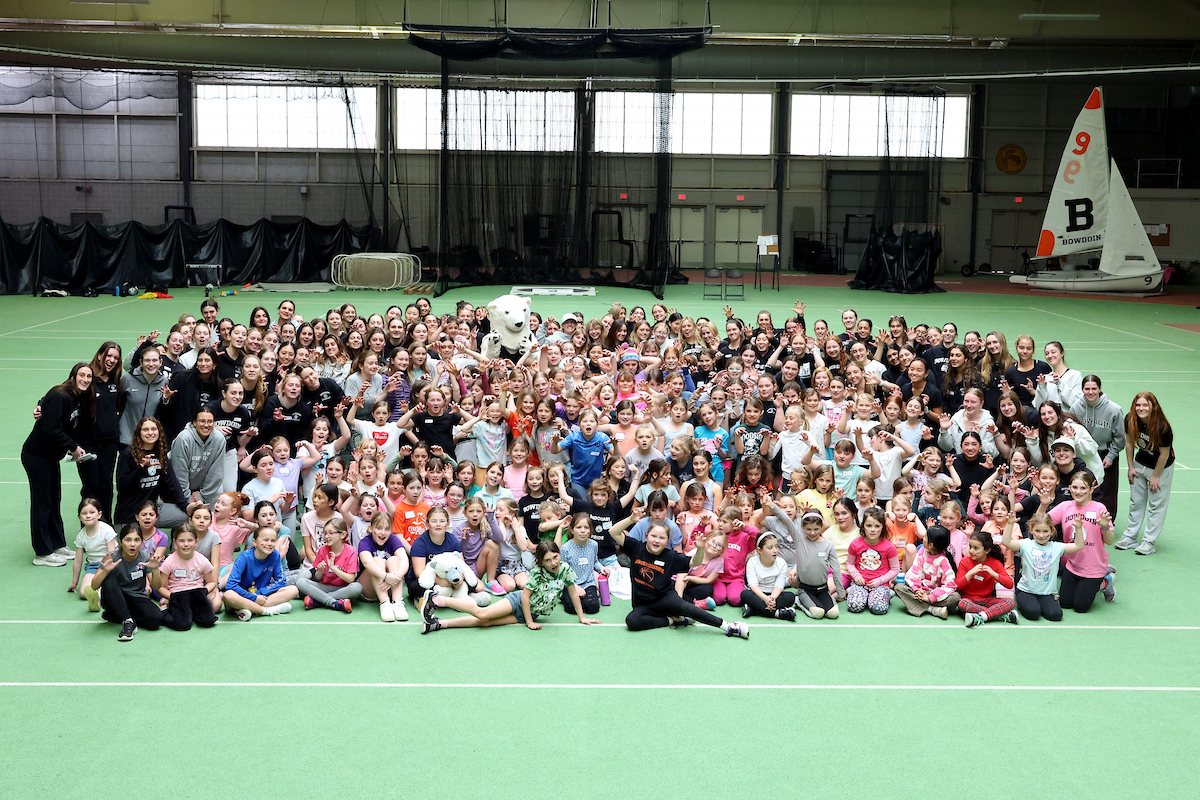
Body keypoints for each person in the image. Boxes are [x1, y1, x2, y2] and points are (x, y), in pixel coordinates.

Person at [420, 541, 601, 633]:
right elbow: (524, 597)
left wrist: (582, 617)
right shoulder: (537, 573)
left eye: (555, 557)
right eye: (547, 560)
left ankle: (439, 624)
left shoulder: (565, 569)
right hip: (518, 603)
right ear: (540, 562)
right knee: (482, 613)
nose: (553, 563)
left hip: (531, 612)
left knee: (485, 623)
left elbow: (572, 592)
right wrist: (529, 622)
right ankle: (437, 600)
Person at [612, 520, 749, 637]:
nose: (657, 540)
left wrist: (700, 549)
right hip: (643, 604)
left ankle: (729, 626)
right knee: (632, 621)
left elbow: (694, 563)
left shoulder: (671, 556)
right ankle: (673, 620)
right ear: (647, 535)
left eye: (662, 538)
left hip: (664, 598)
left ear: (667, 541)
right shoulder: (636, 547)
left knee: (687, 607)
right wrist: (631, 519)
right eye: (653, 536)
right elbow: (613, 532)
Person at [24, 362, 93, 566]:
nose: (85, 380)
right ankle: (42, 553)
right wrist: (73, 447)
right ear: (72, 376)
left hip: (51, 457)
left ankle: (57, 544)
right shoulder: (60, 395)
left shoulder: (76, 398)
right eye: (82, 375)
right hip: (37, 456)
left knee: (54, 500)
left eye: (89, 377)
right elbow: (51, 429)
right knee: (42, 502)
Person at [1002, 512, 1086, 622]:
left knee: (1055, 615)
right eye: (1037, 531)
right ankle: (1023, 603)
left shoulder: (1056, 547)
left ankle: (1042, 603)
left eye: (1045, 531)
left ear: (1051, 531)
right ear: (1031, 530)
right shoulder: (1026, 544)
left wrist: (1078, 528)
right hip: (1026, 590)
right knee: (1033, 613)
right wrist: (1010, 524)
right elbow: (1006, 542)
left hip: (1046, 593)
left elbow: (1078, 546)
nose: (1041, 535)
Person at [1119, 391, 1174, 556]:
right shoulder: (1130, 419)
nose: (1141, 408)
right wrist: (1130, 467)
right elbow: (1129, 444)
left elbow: (1164, 454)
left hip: (1160, 467)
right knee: (1135, 501)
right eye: (1138, 405)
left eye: (1145, 405)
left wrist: (1155, 476)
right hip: (1140, 463)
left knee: (1156, 505)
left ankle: (1148, 542)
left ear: (1152, 406)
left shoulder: (1163, 427)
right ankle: (1130, 537)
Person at [114, 417, 189, 529]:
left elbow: (172, 484)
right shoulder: (128, 454)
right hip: (130, 514)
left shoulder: (161, 455)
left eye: (153, 429)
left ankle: (175, 545)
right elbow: (122, 487)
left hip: (152, 510)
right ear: (139, 433)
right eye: (145, 429)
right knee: (133, 544)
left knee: (189, 516)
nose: (150, 433)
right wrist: (141, 469)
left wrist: (186, 507)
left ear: (159, 432)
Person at [92, 524, 163, 641]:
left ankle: (118, 617)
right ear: (120, 541)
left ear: (141, 542)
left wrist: (155, 569)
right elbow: (94, 586)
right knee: (109, 579)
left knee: (156, 620)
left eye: (137, 540)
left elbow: (156, 586)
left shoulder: (146, 558)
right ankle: (127, 621)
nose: (132, 544)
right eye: (128, 540)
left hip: (137, 598)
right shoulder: (112, 557)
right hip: (115, 598)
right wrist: (105, 571)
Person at [222, 526, 300, 620]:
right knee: (228, 595)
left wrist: (259, 594)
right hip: (242, 596)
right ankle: (266, 611)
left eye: (273, 540)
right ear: (254, 542)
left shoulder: (275, 555)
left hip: (262, 596)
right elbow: (231, 585)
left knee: (293, 590)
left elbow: (281, 580)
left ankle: (249, 609)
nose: (269, 544)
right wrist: (253, 598)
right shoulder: (244, 557)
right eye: (266, 540)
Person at [152, 524, 218, 632]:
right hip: (178, 594)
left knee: (208, 620)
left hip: (197, 593)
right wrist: (171, 596)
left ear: (196, 541)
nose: (186, 544)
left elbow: (211, 581)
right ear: (175, 542)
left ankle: (190, 612)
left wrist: (204, 591)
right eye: (181, 541)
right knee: (183, 625)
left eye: (190, 540)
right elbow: (160, 586)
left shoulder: (202, 560)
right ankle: (164, 611)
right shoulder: (170, 561)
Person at [296, 518, 362, 613]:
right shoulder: (323, 549)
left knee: (357, 587)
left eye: (331, 533)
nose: (327, 536)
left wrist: (333, 568)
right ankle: (333, 603)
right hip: (324, 586)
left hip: (342, 588)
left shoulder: (351, 551)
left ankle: (318, 600)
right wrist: (320, 571)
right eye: (325, 533)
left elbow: (350, 579)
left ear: (343, 535)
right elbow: (318, 577)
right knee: (301, 582)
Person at [896, 525, 960, 619]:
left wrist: (930, 597)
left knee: (955, 597)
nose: (923, 538)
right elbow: (914, 571)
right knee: (899, 587)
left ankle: (921, 605)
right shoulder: (922, 552)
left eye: (925, 537)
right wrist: (917, 589)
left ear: (931, 545)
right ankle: (932, 609)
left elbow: (950, 585)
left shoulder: (943, 561)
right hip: (920, 590)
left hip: (935, 593)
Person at [955, 530, 1018, 627]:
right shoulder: (964, 562)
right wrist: (970, 573)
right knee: (962, 603)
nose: (971, 551)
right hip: (969, 600)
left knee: (1010, 602)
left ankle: (980, 616)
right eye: (970, 547)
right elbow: (958, 586)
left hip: (987, 600)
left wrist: (994, 574)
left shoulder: (995, 563)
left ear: (987, 550)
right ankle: (998, 615)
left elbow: (1009, 584)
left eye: (976, 548)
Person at [845, 507, 899, 614]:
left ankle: (887, 594)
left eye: (877, 526)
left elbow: (895, 569)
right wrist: (856, 576)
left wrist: (879, 581)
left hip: (880, 584)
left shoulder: (889, 547)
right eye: (869, 526)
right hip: (860, 583)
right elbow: (850, 563)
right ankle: (860, 595)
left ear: (882, 527)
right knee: (854, 606)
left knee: (878, 609)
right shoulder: (855, 544)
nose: (873, 530)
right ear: (863, 526)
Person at [358, 512, 410, 622]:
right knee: (376, 560)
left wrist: (395, 577)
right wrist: (386, 577)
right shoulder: (365, 542)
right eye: (379, 528)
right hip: (368, 590)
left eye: (387, 529)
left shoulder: (393, 540)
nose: (382, 533)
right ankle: (384, 603)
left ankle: (397, 602)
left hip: (389, 585)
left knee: (394, 560)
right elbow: (367, 563)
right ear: (371, 528)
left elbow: (405, 560)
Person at [67, 497, 117, 612]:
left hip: (109, 565)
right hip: (93, 566)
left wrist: (106, 570)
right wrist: (74, 582)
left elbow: (112, 554)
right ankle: (96, 594)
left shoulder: (107, 530)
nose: (88, 516)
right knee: (83, 593)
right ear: (79, 517)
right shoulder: (81, 535)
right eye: (84, 513)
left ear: (99, 514)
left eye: (92, 512)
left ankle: (98, 600)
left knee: (104, 587)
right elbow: (78, 560)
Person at [740, 532, 797, 621]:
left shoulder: (782, 563)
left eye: (776, 546)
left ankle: (754, 610)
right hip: (758, 594)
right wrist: (765, 598)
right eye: (770, 548)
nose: (775, 550)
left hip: (775, 595)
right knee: (745, 595)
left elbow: (779, 585)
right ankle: (778, 613)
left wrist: (772, 598)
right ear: (759, 550)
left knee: (790, 597)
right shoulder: (752, 562)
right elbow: (753, 585)